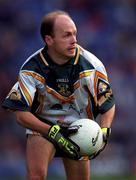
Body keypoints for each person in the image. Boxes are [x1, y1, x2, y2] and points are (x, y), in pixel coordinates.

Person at [2, 10, 115, 180]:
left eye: (75, 34)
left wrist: (105, 129)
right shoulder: (31, 68)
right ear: (49, 39)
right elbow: (21, 115)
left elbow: (107, 103)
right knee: (36, 177)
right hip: (43, 126)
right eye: (67, 35)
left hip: (80, 128)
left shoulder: (92, 65)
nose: (74, 40)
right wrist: (52, 131)